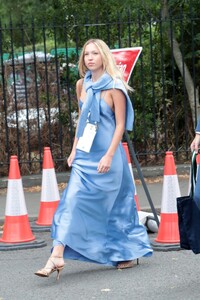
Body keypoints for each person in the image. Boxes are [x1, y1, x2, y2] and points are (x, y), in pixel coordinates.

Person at [34, 38, 153, 280]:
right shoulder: (82, 85)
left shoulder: (115, 87)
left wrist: (109, 155)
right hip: (85, 156)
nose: (89, 58)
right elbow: (83, 121)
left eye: (94, 54)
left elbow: (120, 126)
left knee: (115, 208)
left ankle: (127, 251)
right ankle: (57, 255)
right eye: (86, 54)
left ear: (103, 57)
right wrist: (74, 149)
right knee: (71, 201)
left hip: (109, 156)